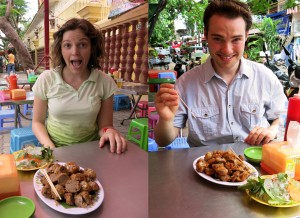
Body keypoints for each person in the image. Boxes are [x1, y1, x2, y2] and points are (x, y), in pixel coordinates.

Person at [154, 0, 287, 147]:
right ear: (206, 34)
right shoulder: (185, 84)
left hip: (254, 163)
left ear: (246, 36)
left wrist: (273, 129)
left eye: (236, 39)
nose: (227, 50)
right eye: (218, 39)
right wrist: (166, 120)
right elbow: (163, 141)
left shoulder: (265, 77)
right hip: (204, 166)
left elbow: (283, 115)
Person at [32, 18, 127, 154]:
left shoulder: (104, 82)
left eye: (82, 45)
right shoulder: (46, 79)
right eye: (67, 45)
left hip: (93, 149)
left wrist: (109, 132)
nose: (75, 52)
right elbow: (37, 122)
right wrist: (50, 148)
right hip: (55, 148)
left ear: (92, 48)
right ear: (61, 49)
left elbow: (105, 126)